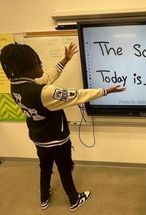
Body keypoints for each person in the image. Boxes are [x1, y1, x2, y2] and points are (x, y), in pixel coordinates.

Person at [0, 42, 126, 211]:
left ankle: (44, 198)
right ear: (27, 67)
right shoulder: (44, 92)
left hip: (39, 140)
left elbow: (46, 78)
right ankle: (74, 200)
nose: (41, 65)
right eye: (37, 62)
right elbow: (78, 95)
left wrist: (65, 60)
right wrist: (105, 91)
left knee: (44, 168)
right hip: (57, 140)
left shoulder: (16, 86)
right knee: (65, 169)